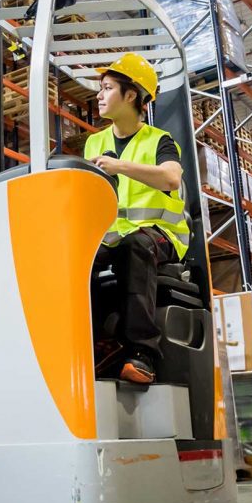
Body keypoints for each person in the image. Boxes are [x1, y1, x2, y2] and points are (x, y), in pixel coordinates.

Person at [83, 53, 190, 385]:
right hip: (113, 238)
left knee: (136, 245)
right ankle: (91, 343)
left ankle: (141, 354)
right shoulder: (94, 142)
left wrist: (119, 167)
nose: (99, 95)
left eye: (107, 88)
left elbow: (171, 179)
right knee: (73, 260)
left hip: (162, 237)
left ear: (131, 95)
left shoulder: (159, 141)